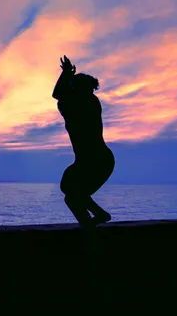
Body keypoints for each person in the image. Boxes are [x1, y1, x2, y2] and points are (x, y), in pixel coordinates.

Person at [52, 55, 115, 237]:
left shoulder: (81, 103)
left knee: (72, 195)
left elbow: (57, 94)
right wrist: (67, 76)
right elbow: (59, 95)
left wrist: (66, 75)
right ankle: (99, 215)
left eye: (73, 85)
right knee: (70, 189)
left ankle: (89, 232)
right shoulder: (88, 101)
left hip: (97, 160)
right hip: (95, 159)